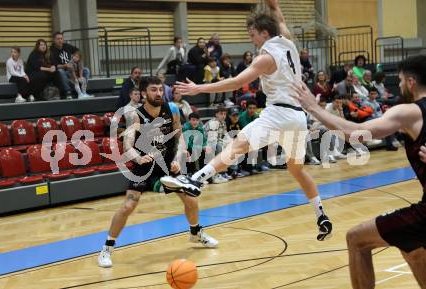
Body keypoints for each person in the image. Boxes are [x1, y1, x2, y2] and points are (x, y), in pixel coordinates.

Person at [161, 0, 333, 241]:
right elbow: (278, 15)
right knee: (297, 169)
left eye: (253, 35)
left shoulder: (265, 57)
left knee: (238, 145)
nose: (252, 39)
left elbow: (235, 83)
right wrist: (271, 3)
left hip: (278, 114)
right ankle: (321, 214)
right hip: (297, 118)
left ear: (264, 33)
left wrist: (199, 88)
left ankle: (195, 180)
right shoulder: (287, 40)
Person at [292, 55, 426, 289]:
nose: (401, 85)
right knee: (413, 249)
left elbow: (358, 134)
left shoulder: (410, 112)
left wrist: (313, 107)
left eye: (402, 80)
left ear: (412, 82)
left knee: (356, 239)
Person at [98, 76, 218, 268]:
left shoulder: (172, 109)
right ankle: (106, 249)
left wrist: (178, 159)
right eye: (154, 90)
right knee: (129, 206)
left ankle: (196, 234)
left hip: (168, 163)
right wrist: (138, 158)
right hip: (144, 165)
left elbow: (181, 139)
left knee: (191, 200)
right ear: (144, 93)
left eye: (161, 89)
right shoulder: (135, 115)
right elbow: (127, 145)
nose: (159, 93)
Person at [50, 31, 90, 99]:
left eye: (61, 38)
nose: (60, 40)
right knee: (60, 72)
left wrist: (76, 58)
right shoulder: (51, 50)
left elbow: (78, 51)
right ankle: (68, 92)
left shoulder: (66, 46)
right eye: (58, 39)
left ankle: (83, 91)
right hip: (63, 70)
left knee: (86, 70)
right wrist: (65, 65)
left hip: (73, 68)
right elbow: (55, 65)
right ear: (54, 40)